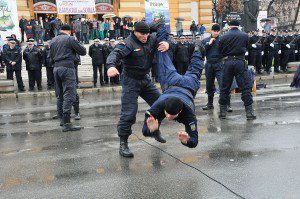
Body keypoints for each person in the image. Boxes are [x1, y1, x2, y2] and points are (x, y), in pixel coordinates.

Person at [106, 21, 169, 157]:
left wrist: (166, 42)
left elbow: (161, 27)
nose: (145, 36)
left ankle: (153, 130)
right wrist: (111, 66)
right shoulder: (128, 43)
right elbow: (115, 53)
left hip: (145, 80)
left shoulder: (150, 38)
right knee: (129, 114)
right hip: (131, 81)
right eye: (142, 33)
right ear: (134, 32)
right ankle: (123, 144)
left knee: (161, 105)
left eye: (147, 33)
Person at [142, 24, 205, 148]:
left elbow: (194, 140)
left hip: (172, 83)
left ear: (180, 111)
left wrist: (187, 141)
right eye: (167, 114)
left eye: (172, 115)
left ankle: (197, 48)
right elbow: (145, 129)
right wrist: (151, 130)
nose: (169, 117)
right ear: (164, 108)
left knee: (162, 54)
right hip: (188, 86)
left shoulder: (188, 114)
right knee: (195, 66)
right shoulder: (160, 105)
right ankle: (198, 48)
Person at [49, 24, 86, 132]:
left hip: (56, 68)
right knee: (69, 94)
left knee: (60, 94)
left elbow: (50, 57)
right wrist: (76, 41)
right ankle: (67, 122)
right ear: (69, 31)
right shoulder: (70, 38)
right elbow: (83, 52)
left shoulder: (53, 40)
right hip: (67, 67)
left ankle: (61, 119)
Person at [218, 20, 256, 120]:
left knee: (225, 87)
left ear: (229, 26)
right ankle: (249, 113)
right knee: (245, 87)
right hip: (240, 61)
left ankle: (222, 113)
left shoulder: (223, 37)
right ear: (238, 26)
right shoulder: (244, 35)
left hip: (228, 62)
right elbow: (247, 47)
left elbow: (220, 50)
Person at [202, 24, 232, 112]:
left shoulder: (222, 40)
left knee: (223, 84)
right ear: (211, 31)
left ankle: (227, 104)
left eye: (217, 31)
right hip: (209, 64)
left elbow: (226, 52)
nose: (215, 33)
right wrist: (209, 44)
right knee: (209, 85)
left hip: (219, 63)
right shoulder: (206, 40)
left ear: (219, 31)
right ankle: (210, 104)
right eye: (214, 31)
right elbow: (202, 52)